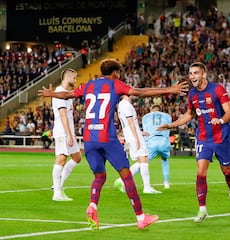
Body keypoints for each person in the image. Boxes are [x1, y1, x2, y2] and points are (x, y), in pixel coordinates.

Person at [38, 58, 188, 230]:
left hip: (89, 139)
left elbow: (66, 95)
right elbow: (140, 92)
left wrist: (51, 94)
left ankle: (92, 206)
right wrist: (170, 89)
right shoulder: (115, 84)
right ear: (115, 72)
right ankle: (141, 217)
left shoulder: (88, 85)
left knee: (99, 176)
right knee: (126, 176)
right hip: (107, 137)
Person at [157, 62, 230, 223]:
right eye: (191, 73)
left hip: (222, 135)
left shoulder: (217, 89)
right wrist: (171, 125)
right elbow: (189, 115)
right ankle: (202, 209)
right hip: (203, 137)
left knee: (227, 171)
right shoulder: (192, 94)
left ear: (203, 74)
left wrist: (220, 120)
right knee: (201, 172)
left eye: (195, 73)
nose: (192, 76)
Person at [114, 95, 161, 194]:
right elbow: (130, 122)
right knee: (144, 158)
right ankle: (147, 187)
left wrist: (140, 132)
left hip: (130, 135)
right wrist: (136, 137)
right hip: (133, 136)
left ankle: (122, 180)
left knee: (142, 160)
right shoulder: (126, 105)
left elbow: (128, 123)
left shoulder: (121, 105)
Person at [51, 68, 82, 201]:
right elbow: (63, 114)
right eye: (74, 78)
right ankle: (57, 193)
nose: (75, 80)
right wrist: (69, 134)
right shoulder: (59, 92)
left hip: (67, 131)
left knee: (77, 157)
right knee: (61, 159)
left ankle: (58, 185)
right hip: (62, 131)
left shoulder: (67, 94)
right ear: (68, 77)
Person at [142, 104, 172, 189]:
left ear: (151, 109)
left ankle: (126, 178)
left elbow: (145, 132)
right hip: (163, 141)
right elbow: (168, 129)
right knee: (164, 159)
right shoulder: (167, 116)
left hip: (151, 141)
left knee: (143, 163)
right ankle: (166, 183)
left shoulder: (145, 117)